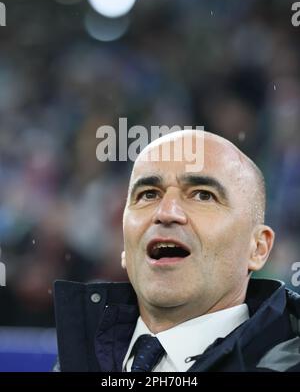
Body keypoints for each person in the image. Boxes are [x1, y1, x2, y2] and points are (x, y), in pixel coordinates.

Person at [53, 130, 300, 372]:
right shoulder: (77, 360)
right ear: (125, 244)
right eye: (149, 194)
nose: (165, 212)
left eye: (203, 195)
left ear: (257, 248)